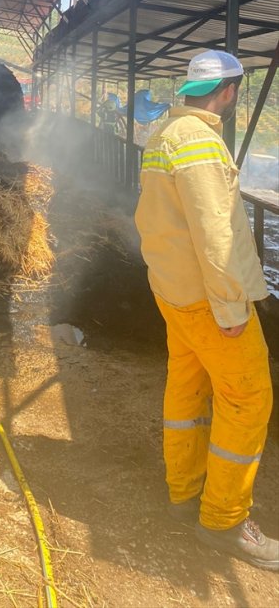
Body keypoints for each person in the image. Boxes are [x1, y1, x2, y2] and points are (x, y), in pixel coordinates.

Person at [134, 50, 277, 571]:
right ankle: (225, 520)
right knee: (248, 399)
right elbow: (216, 234)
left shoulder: (163, 136)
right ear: (231, 91)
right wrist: (231, 306)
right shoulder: (199, 141)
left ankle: (183, 490)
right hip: (206, 298)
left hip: (172, 290)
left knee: (187, 385)